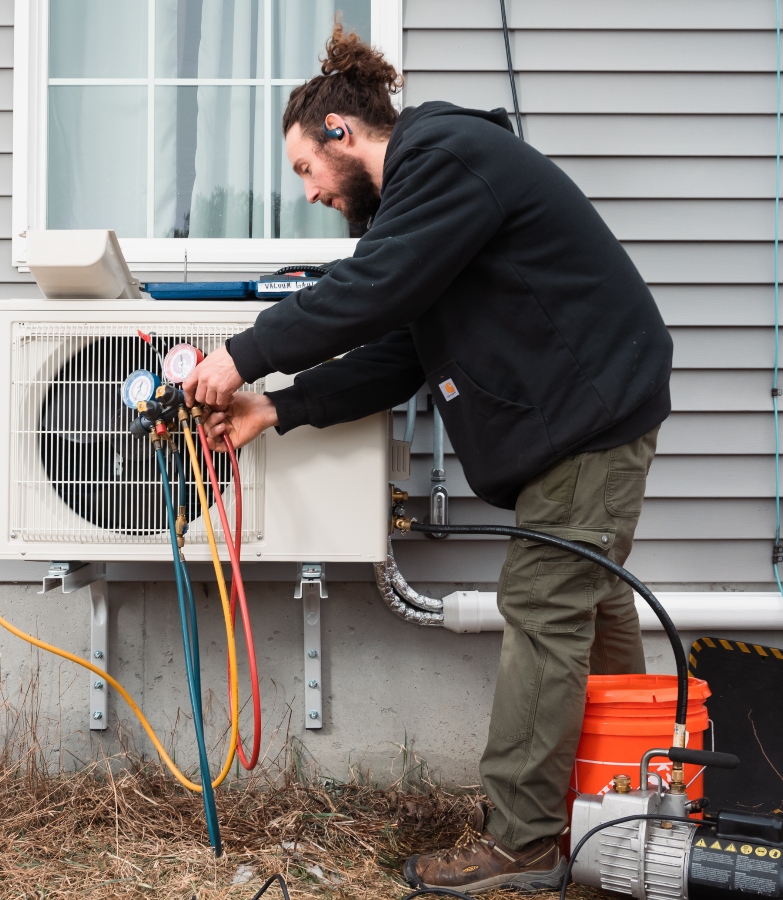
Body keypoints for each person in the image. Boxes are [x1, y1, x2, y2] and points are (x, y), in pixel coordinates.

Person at [183, 23, 674, 895]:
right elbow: (403, 347)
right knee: (590, 612)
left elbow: (374, 291)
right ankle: (623, 811)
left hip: (592, 413)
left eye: (304, 169)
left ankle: (526, 846)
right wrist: (279, 407)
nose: (307, 194)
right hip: (589, 414)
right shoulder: (428, 195)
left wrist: (241, 354)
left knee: (543, 605)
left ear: (341, 131)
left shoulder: (445, 155)